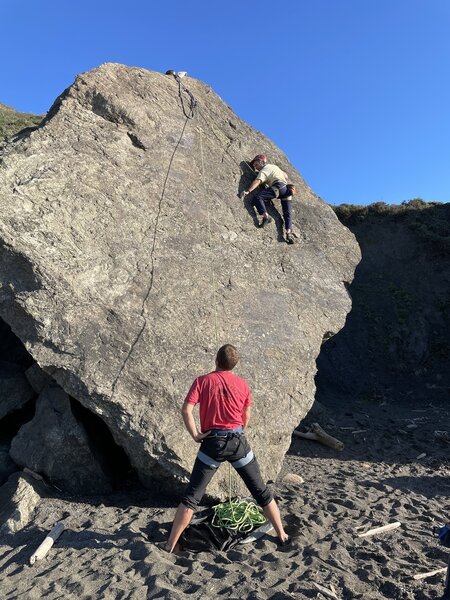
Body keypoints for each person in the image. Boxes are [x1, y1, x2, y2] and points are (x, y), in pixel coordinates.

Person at [163, 344, 289, 553]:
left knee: (192, 497)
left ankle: (170, 544)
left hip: (213, 443)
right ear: (235, 364)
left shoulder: (202, 381)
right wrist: (240, 430)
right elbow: (246, 414)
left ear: (216, 360)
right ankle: (282, 534)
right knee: (261, 491)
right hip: (238, 441)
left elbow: (187, 410)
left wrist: (195, 435)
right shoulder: (243, 384)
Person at [241, 154, 296, 244]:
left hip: (278, 187)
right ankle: (288, 233)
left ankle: (266, 217)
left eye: (256, 164)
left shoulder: (265, 169)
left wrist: (248, 191)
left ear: (262, 162)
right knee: (287, 213)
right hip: (286, 190)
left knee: (258, 197)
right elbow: (286, 175)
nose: (255, 168)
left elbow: (257, 181)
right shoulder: (274, 167)